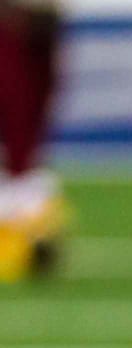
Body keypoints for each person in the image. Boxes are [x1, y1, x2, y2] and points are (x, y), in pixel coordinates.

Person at [0, 0, 66, 281]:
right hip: (14, 18)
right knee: (17, 105)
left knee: (33, 110)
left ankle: (23, 200)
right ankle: (17, 211)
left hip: (42, 18)